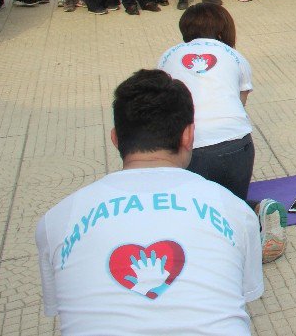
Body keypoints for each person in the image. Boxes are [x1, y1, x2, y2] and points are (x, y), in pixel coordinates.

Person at [36, 69, 263, 335]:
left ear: (116, 139)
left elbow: (62, 308)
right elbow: (244, 294)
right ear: (189, 135)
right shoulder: (235, 210)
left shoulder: (55, 222)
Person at [158, 3, 287, 263]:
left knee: (189, 213)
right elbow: (239, 104)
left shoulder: (168, 56)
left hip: (190, 149)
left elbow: (164, 107)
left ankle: (219, 236)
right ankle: (257, 212)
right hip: (238, 148)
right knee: (230, 205)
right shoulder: (236, 57)